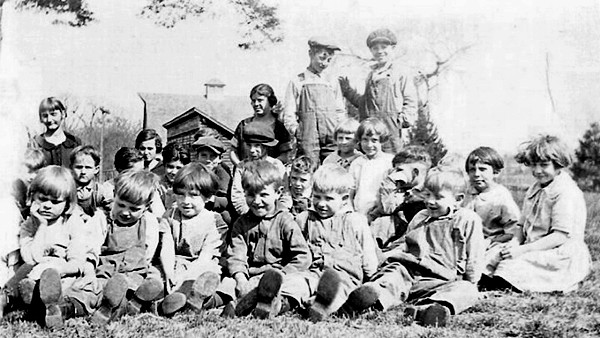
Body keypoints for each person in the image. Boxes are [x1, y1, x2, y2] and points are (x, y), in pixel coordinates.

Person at [342, 167, 484, 328]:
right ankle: (371, 298)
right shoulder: (421, 217)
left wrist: (472, 281)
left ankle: (432, 309)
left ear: (458, 199)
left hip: (441, 279)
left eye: (438, 197)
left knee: (466, 290)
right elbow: (406, 243)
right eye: (428, 194)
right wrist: (387, 256)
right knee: (393, 274)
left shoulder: (466, 219)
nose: (430, 201)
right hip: (410, 272)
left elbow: (475, 255)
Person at [482, 135, 591, 293]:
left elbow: (560, 236)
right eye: (534, 165)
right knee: (494, 254)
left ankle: (497, 285)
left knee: (514, 264)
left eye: (544, 165)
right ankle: (483, 280)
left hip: (558, 252)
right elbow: (521, 225)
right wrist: (515, 242)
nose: (537, 171)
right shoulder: (535, 188)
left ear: (558, 164)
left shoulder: (565, 192)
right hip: (533, 245)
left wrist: (523, 250)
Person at [271, 164, 378, 322]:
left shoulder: (356, 221)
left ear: (344, 199)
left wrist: (370, 278)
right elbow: (294, 249)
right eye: (317, 197)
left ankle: (319, 307)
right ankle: (279, 303)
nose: (321, 203)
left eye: (328, 198)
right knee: (297, 283)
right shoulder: (304, 219)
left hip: (344, 276)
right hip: (312, 272)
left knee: (339, 292)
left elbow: (369, 257)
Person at [4, 166, 96, 328]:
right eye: (42, 199)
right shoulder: (29, 225)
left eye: (55, 202)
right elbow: (32, 258)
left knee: (78, 292)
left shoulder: (73, 222)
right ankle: (14, 299)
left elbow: (77, 262)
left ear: (67, 203)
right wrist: (42, 226)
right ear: (32, 197)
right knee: (23, 275)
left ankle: (48, 304)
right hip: (34, 272)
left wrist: (55, 271)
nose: (47, 205)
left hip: (64, 274)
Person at [226, 160, 310, 318]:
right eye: (251, 195)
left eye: (264, 195)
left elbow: (302, 256)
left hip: (279, 276)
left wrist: (283, 274)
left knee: (298, 285)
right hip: (250, 275)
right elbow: (237, 254)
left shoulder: (285, 220)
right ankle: (210, 301)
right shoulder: (241, 223)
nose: (257, 201)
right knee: (227, 284)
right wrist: (240, 277)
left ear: (278, 193)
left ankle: (276, 306)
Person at [86, 169, 165, 324]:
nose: (126, 212)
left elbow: (148, 252)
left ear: (147, 206)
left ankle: (135, 302)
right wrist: (89, 272)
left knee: (152, 282)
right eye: (121, 205)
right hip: (107, 272)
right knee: (98, 290)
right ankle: (118, 306)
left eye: (134, 209)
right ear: (114, 195)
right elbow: (91, 248)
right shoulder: (103, 218)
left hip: (136, 272)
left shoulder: (149, 222)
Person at [158, 163, 230, 316]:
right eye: (181, 194)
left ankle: (186, 298)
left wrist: (184, 278)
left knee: (210, 276)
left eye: (193, 195)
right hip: (177, 263)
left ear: (208, 196)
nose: (186, 201)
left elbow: (205, 257)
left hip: (200, 265)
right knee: (156, 273)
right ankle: (161, 299)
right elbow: (167, 247)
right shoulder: (170, 216)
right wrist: (170, 273)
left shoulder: (215, 221)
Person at [340, 28, 417, 153]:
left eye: (384, 47)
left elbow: (410, 100)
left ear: (392, 48)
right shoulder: (370, 75)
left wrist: (402, 121)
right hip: (369, 129)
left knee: (390, 161)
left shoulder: (400, 73)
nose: (379, 51)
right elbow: (364, 104)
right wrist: (348, 91)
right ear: (371, 51)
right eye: (375, 48)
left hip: (390, 128)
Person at [281, 37, 348, 165]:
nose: (325, 63)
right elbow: (289, 114)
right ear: (310, 54)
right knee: (309, 169)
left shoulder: (331, 82)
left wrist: (340, 130)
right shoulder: (298, 81)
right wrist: (297, 131)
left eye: (329, 60)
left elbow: (340, 110)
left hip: (331, 137)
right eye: (322, 58)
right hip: (308, 137)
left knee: (332, 170)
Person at [462, 146, 521, 274]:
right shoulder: (465, 193)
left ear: (496, 172)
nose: (477, 174)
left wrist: (489, 241)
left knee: (487, 260)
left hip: (491, 243)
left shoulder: (501, 196)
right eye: (472, 170)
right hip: (466, 242)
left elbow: (513, 230)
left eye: (482, 169)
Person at [370, 145, 432, 248]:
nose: (394, 174)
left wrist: (389, 183)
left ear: (415, 172)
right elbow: (386, 209)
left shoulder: (429, 192)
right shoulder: (400, 191)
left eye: (399, 170)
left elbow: (388, 209)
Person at [229, 122, 289, 218]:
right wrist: (250, 215)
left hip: (275, 216)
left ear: (266, 146)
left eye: (257, 145)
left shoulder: (276, 165)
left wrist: (278, 216)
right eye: (249, 145)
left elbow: (285, 195)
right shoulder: (242, 167)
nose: (252, 150)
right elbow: (237, 196)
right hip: (249, 216)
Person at [230, 84, 293, 166]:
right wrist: (240, 166)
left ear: (270, 101)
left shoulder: (279, 128)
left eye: (260, 100)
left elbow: (286, 154)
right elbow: (233, 151)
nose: (256, 104)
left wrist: (272, 163)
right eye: (253, 100)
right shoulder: (243, 125)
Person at [349, 117, 394, 216]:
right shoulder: (357, 163)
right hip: (359, 213)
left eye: (374, 140)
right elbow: (350, 192)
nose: (369, 145)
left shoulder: (389, 162)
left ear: (382, 141)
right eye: (365, 140)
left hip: (381, 213)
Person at [106, 147, 165, 219]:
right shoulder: (107, 188)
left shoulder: (146, 187)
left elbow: (159, 214)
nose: (140, 175)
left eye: (142, 170)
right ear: (120, 170)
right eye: (134, 173)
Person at [30, 97, 81, 167]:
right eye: (45, 116)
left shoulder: (74, 142)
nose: (49, 119)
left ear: (63, 114)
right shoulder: (36, 143)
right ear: (41, 118)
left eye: (53, 114)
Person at [69, 145, 113, 219]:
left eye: (88, 167)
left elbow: (110, 212)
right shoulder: (67, 189)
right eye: (79, 167)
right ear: (71, 168)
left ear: (96, 169)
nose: (83, 172)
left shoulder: (100, 191)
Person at [12, 148, 47, 220]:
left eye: (36, 173)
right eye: (28, 172)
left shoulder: (41, 187)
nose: (32, 176)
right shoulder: (16, 186)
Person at [158, 143, 191, 209]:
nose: (174, 172)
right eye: (170, 167)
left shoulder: (190, 184)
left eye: (179, 168)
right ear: (164, 165)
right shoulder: (158, 185)